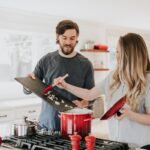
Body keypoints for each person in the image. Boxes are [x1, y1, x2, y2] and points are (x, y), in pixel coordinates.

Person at [54, 33, 150, 148]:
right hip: (117, 144)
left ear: (129, 55)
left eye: (119, 52)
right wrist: (66, 86)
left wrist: (130, 114)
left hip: (141, 146)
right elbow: (89, 94)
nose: (116, 55)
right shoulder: (113, 77)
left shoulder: (147, 80)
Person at [24, 20, 95, 131]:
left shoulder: (86, 64)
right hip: (46, 125)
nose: (68, 42)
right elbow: (29, 88)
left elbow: (92, 96)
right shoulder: (46, 60)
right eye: (64, 37)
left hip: (74, 126)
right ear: (57, 37)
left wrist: (83, 103)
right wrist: (27, 83)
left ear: (77, 38)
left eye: (72, 38)